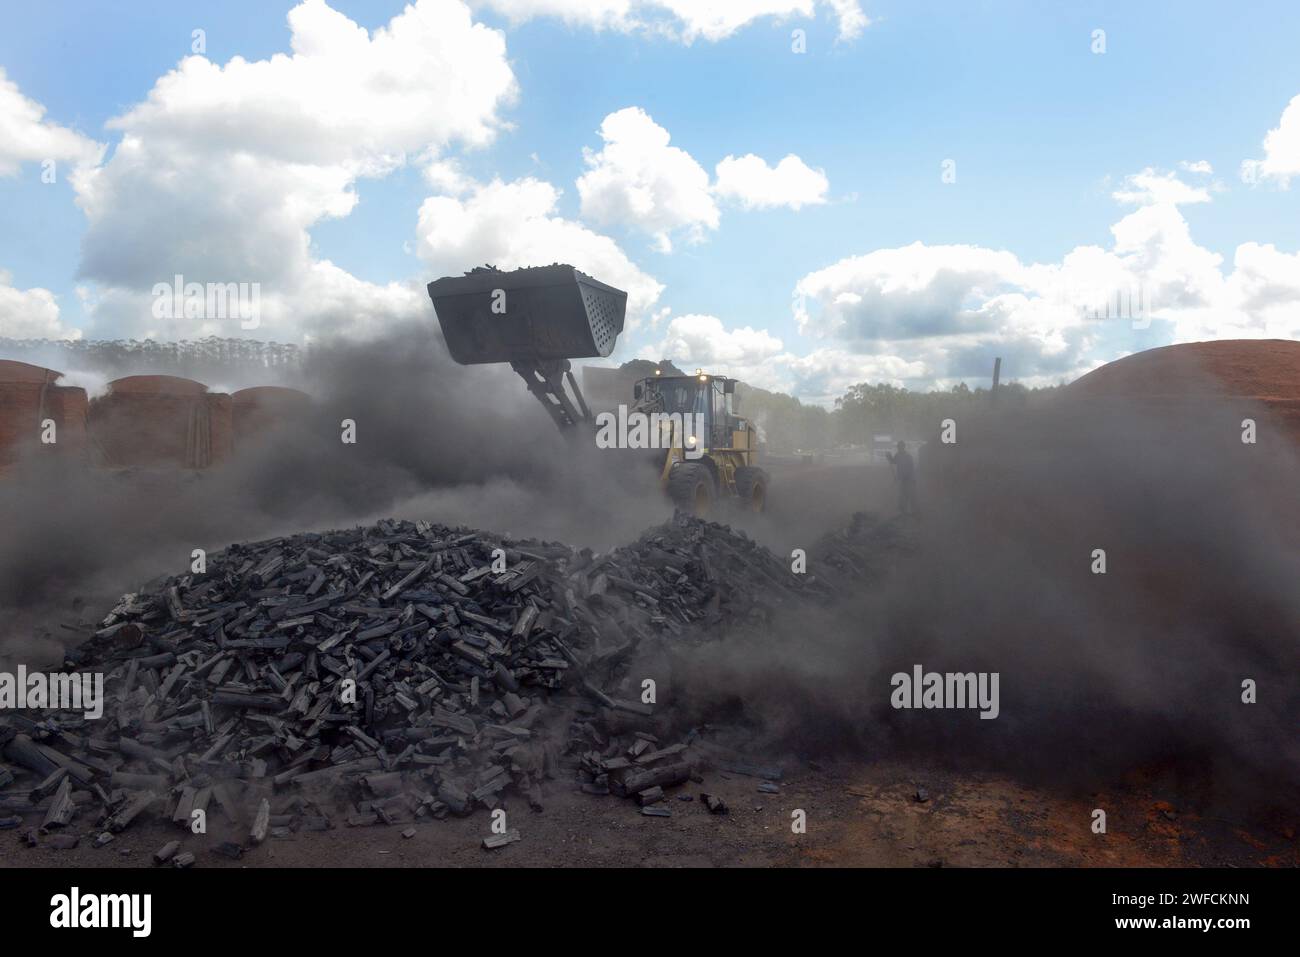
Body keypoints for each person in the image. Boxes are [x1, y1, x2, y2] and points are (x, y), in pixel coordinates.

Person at [886, 440, 918, 516]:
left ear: (903, 447)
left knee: (906, 494)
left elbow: (911, 468)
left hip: (907, 478)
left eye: (900, 447)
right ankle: (903, 509)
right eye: (898, 447)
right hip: (902, 478)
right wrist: (889, 457)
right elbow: (893, 462)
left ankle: (907, 510)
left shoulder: (907, 456)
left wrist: (913, 478)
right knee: (903, 494)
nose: (899, 448)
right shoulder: (898, 455)